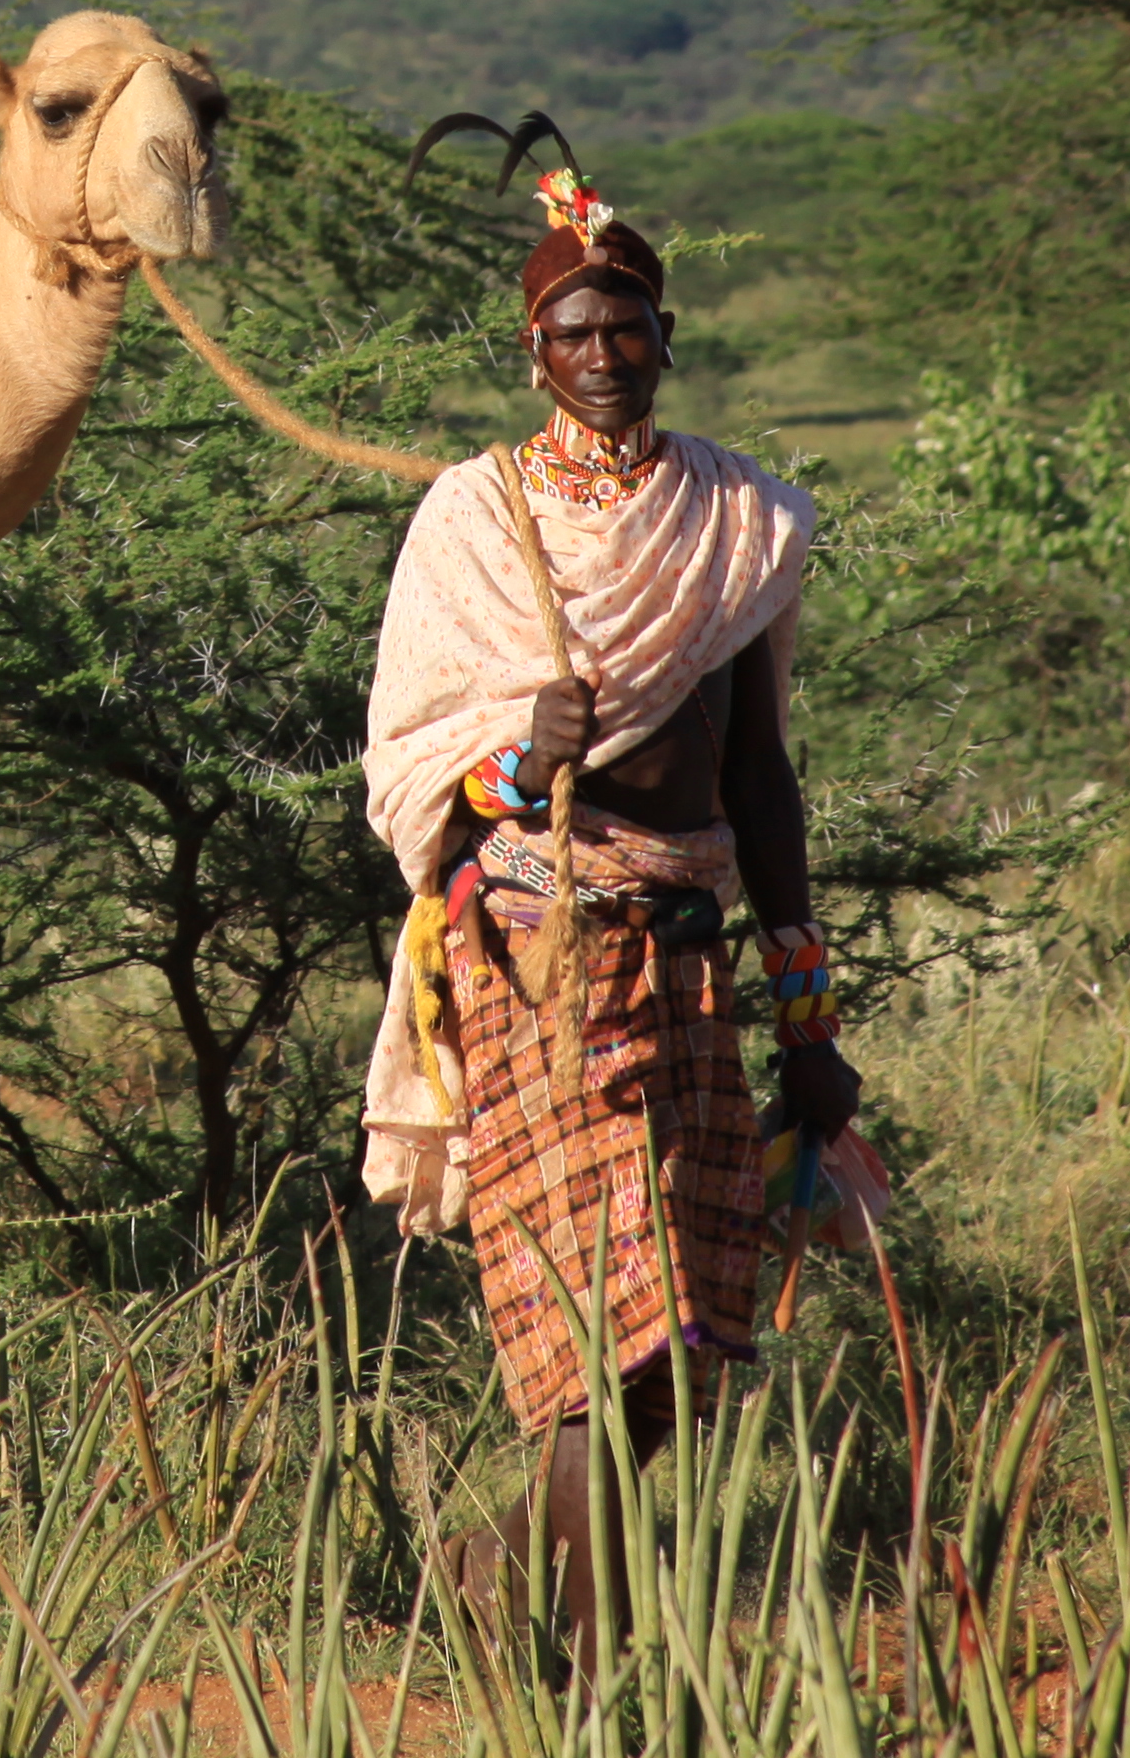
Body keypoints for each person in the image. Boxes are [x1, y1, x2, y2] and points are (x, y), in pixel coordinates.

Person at [356, 165, 865, 1659]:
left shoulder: (739, 524)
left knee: (686, 1351)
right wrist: (525, 756)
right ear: (535, 352)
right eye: (572, 331)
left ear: (665, 333)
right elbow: (416, 777)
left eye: (624, 326)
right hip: (539, 957)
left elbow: (763, 783)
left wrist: (807, 1015)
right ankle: (601, 1680)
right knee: (594, 1337)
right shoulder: (475, 519)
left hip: (697, 952)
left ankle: (493, 1568)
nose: (600, 352)